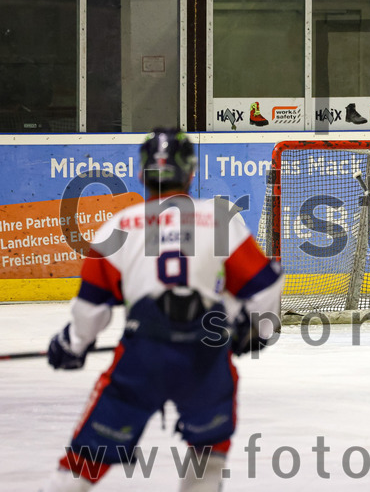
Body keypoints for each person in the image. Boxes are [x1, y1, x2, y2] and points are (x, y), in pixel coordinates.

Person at [42, 128, 283, 492]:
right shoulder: (219, 218)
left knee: (85, 460)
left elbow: (91, 308)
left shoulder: (118, 226)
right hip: (205, 356)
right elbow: (265, 286)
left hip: (142, 358)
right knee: (209, 451)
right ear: (191, 172)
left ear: (142, 173)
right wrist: (255, 332)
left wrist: (72, 345)